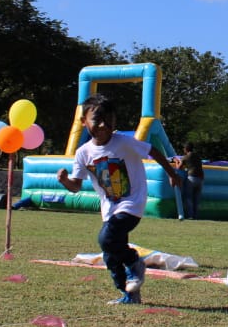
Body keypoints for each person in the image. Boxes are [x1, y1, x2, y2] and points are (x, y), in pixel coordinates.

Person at [56, 93, 181, 305]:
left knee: (106, 239)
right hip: (109, 209)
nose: (104, 125)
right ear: (83, 121)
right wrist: (64, 180)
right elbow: (76, 187)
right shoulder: (83, 153)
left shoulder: (124, 142)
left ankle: (134, 262)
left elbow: (153, 151)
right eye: (97, 119)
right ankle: (129, 295)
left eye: (109, 119)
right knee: (110, 256)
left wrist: (171, 173)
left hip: (132, 203)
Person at [180, 143, 204, 219]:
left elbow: (179, 167)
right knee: (196, 199)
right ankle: (196, 215)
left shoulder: (186, 157)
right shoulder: (197, 156)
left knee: (188, 197)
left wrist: (177, 161)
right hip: (200, 179)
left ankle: (190, 215)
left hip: (192, 178)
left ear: (186, 149)